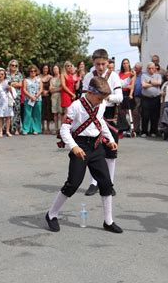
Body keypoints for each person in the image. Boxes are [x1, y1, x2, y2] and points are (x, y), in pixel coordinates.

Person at [45, 76, 122, 234]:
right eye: (100, 98)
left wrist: (108, 139)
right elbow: (64, 129)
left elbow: (100, 123)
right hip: (79, 145)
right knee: (73, 184)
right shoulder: (76, 106)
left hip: (96, 146)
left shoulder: (100, 105)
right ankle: (51, 214)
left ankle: (108, 221)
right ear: (91, 93)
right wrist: (73, 147)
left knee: (106, 183)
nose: (102, 102)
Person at [82, 49, 123, 196]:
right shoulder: (88, 76)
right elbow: (83, 95)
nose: (100, 67)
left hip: (110, 115)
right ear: (93, 62)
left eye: (103, 64)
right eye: (97, 64)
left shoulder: (113, 76)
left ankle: (109, 184)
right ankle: (94, 182)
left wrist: (104, 96)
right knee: (94, 150)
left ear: (107, 62)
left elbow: (120, 97)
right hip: (92, 114)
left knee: (110, 153)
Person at [141, 62, 162, 137]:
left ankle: (153, 131)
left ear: (155, 68)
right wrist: (153, 84)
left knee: (155, 115)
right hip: (145, 98)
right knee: (145, 115)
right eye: (149, 68)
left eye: (152, 68)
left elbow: (159, 83)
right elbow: (143, 85)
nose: (150, 70)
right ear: (147, 69)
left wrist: (149, 82)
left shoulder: (158, 75)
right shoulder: (144, 75)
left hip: (155, 98)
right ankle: (144, 131)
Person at [22, 65, 43, 135]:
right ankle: (26, 129)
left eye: (34, 71)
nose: (33, 72)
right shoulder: (26, 80)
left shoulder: (39, 79)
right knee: (27, 114)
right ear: (29, 72)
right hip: (28, 99)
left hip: (37, 99)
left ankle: (36, 129)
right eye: (31, 71)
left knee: (37, 114)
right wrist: (30, 96)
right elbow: (24, 89)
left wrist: (36, 96)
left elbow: (41, 89)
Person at [0, 69, 15, 137]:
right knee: (0, 116)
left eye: (2, 74)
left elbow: (13, 93)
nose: (0, 75)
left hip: (7, 100)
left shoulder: (7, 82)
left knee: (8, 116)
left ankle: (7, 131)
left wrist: (10, 89)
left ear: (5, 75)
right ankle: (0, 131)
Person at [7, 59, 24, 135]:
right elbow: (5, 83)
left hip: (17, 95)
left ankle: (16, 128)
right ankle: (8, 128)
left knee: (17, 112)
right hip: (8, 95)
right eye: (12, 65)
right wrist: (15, 83)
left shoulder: (19, 74)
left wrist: (12, 83)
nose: (14, 67)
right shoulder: (6, 74)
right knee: (8, 112)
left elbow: (21, 84)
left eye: (15, 65)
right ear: (9, 66)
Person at [130, 62, 143, 135]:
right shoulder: (132, 74)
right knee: (134, 113)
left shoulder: (143, 75)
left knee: (138, 113)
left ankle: (138, 129)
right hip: (133, 96)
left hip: (141, 96)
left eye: (137, 68)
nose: (135, 69)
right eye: (135, 67)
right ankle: (135, 129)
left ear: (140, 69)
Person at [40, 64, 53, 134]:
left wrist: (47, 91)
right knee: (42, 112)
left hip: (48, 96)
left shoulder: (50, 77)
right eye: (44, 68)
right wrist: (42, 91)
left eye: (46, 68)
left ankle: (48, 128)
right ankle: (42, 127)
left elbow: (52, 86)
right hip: (40, 96)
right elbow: (37, 86)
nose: (45, 70)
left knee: (48, 112)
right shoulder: (39, 77)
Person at [49, 64, 62, 134]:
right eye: (54, 69)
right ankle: (56, 128)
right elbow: (50, 89)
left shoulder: (61, 77)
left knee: (60, 113)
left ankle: (61, 128)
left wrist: (54, 89)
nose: (55, 70)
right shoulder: (52, 79)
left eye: (56, 69)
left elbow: (62, 88)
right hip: (54, 97)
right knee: (55, 113)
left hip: (60, 97)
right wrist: (58, 89)